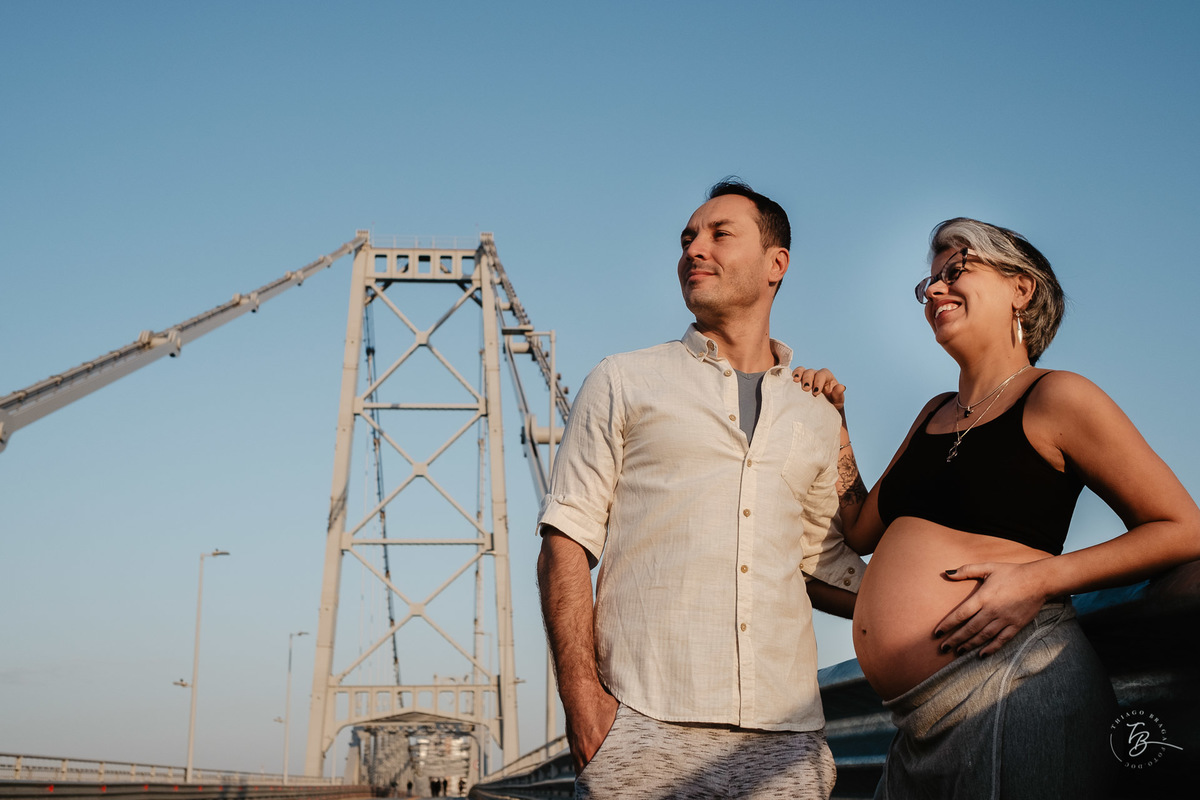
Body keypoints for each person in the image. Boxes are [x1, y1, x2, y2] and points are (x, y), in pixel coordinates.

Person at [795, 217, 1200, 799]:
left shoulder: (1058, 396)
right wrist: (835, 422)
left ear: (1021, 288)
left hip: (1016, 684)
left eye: (955, 271)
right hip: (914, 722)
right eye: (927, 283)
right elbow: (858, 530)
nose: (934, 290)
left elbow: (1182, 529)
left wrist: (1040, 579)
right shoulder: (934, 412)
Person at [537, 179, 866, 800]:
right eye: (688, 237)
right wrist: (588, 713)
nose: (694, 248)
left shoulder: (815, 410)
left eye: (719, 234)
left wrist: (963, 606)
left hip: (785, 737)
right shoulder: (622, 380)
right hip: (640, 723)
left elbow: (824, 562)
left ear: (777, 265)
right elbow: (566, 541)